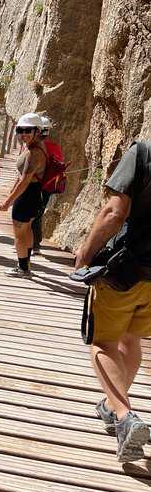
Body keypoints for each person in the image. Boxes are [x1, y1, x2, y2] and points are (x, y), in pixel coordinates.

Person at [74, 141, 151, 462]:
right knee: (131, 339)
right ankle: (111, 405)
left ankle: (124, 416)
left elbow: (114, 212)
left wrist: (85, 254)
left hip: (125, 270)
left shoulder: (143, 154)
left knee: (103, 342)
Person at [0, 113, 47, 277]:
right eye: (20, 130)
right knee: (27, 231)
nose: (23, 134)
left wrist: (8, 201)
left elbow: (25, 181)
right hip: (34, 195)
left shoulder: (34, 153)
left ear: (37, 131)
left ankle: (22, 268)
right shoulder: (37, 147)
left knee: (19, 235)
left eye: (28, 130)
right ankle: (26, 265)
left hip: (26, 197)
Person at [31, 116, 64, 254]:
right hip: (48, 186)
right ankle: (35, 244)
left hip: (33, 183)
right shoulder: (54, 147)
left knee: (30, 213)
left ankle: (29, 242)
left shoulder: (34, 146)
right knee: (38, 213)